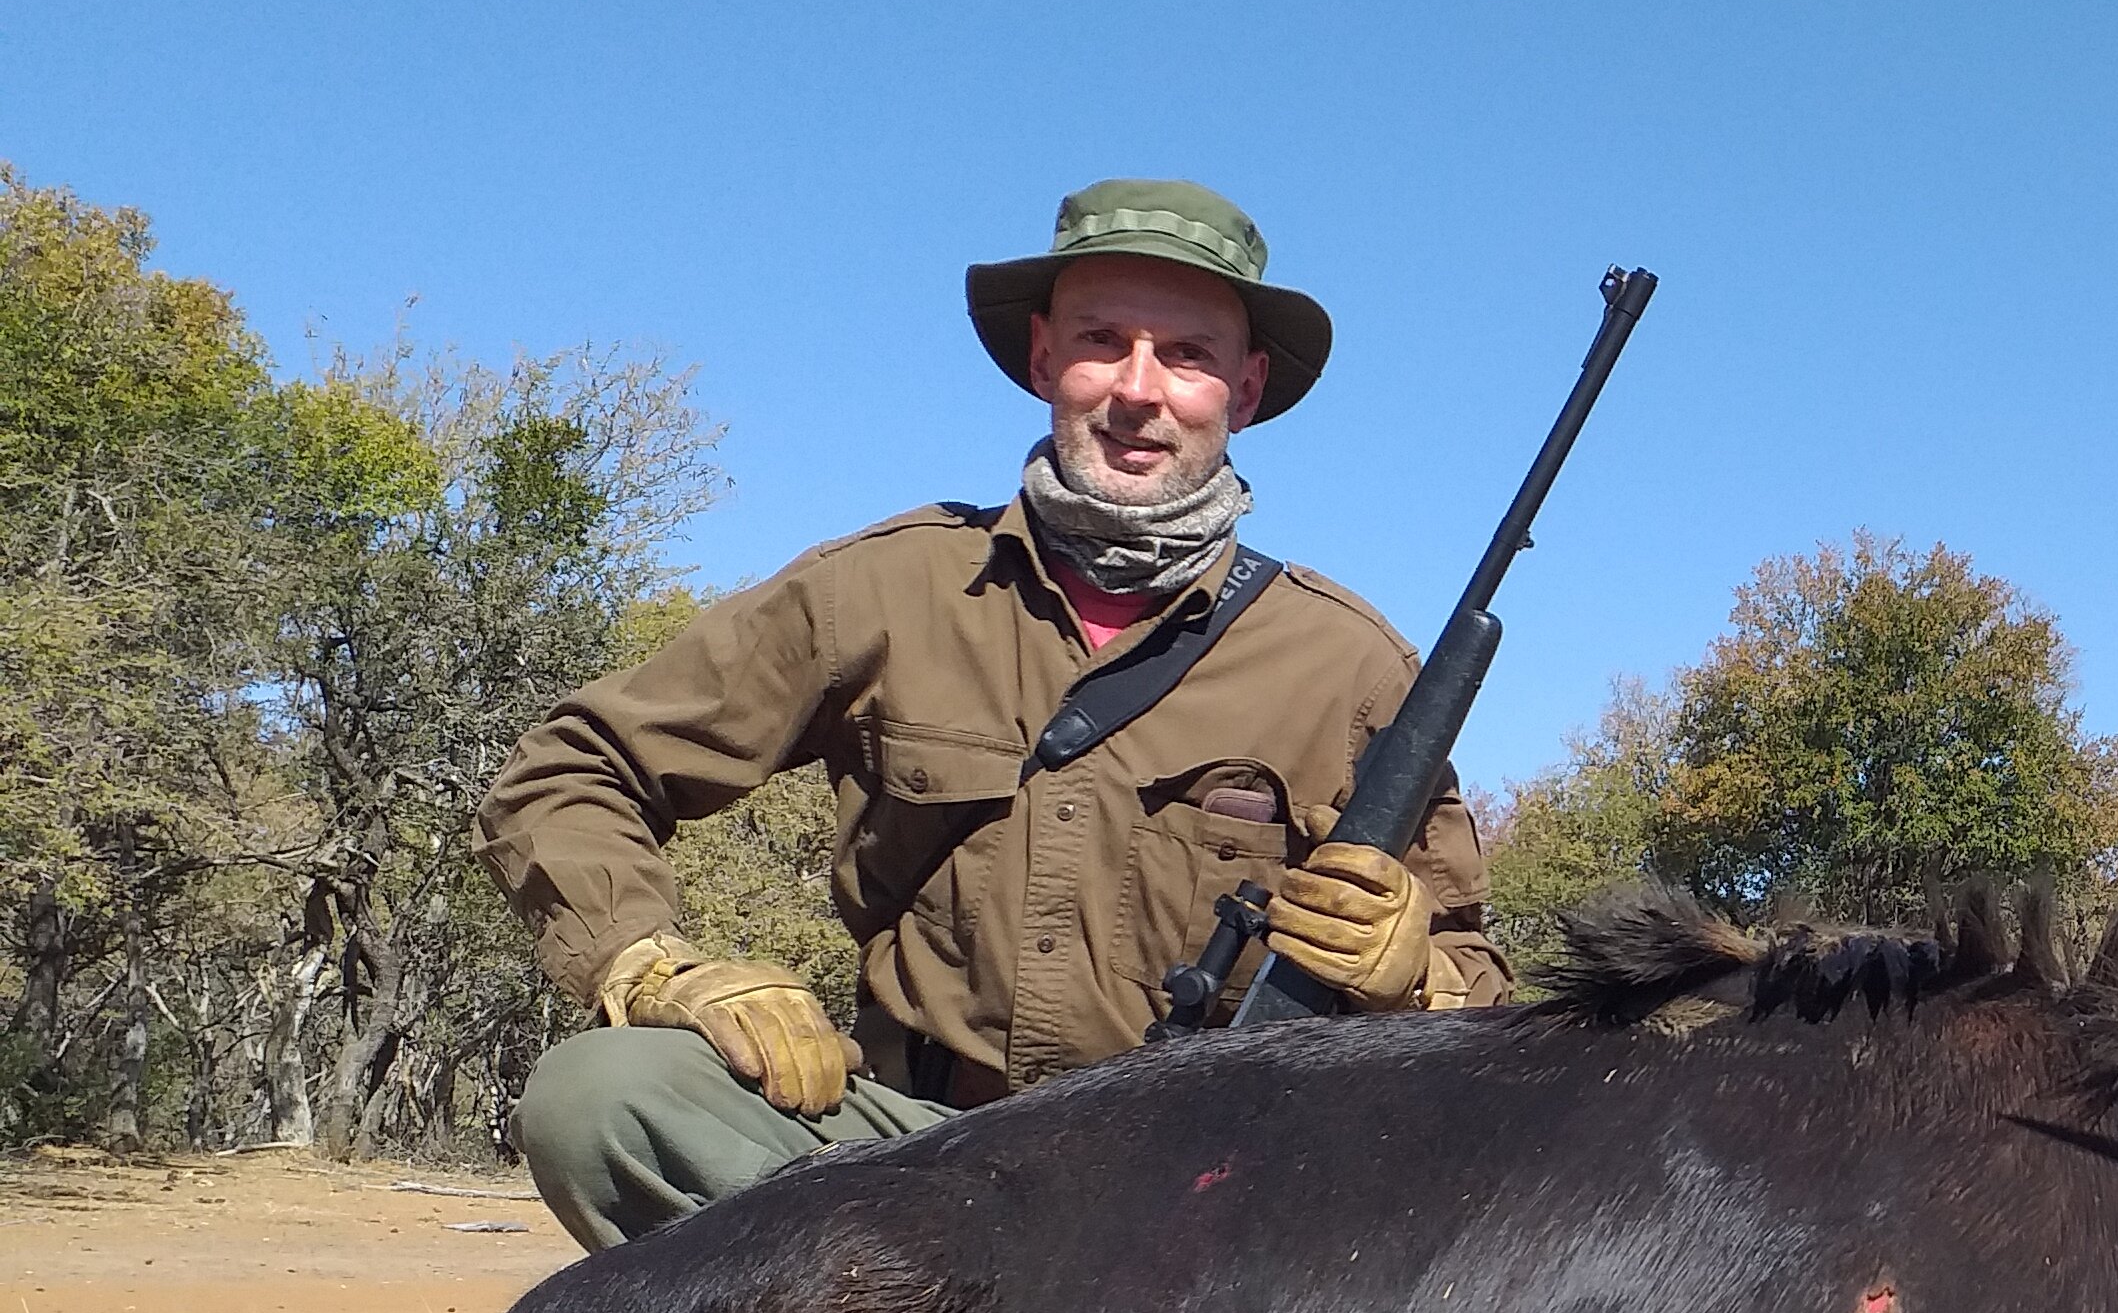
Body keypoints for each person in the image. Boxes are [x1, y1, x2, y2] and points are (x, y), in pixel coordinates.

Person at [483, 179, 1507, 1249]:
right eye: (1102, 340)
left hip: (1212, 1193)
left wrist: (1412, 984)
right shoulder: (882, 590)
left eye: (1190, 356)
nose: (1139, 390)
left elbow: (1484, 993)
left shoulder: (1349, 663)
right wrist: (657, 968)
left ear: (1244, 391)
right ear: (1041, 360)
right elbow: (574, 767)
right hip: (917, 1165)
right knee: (601, 1096)